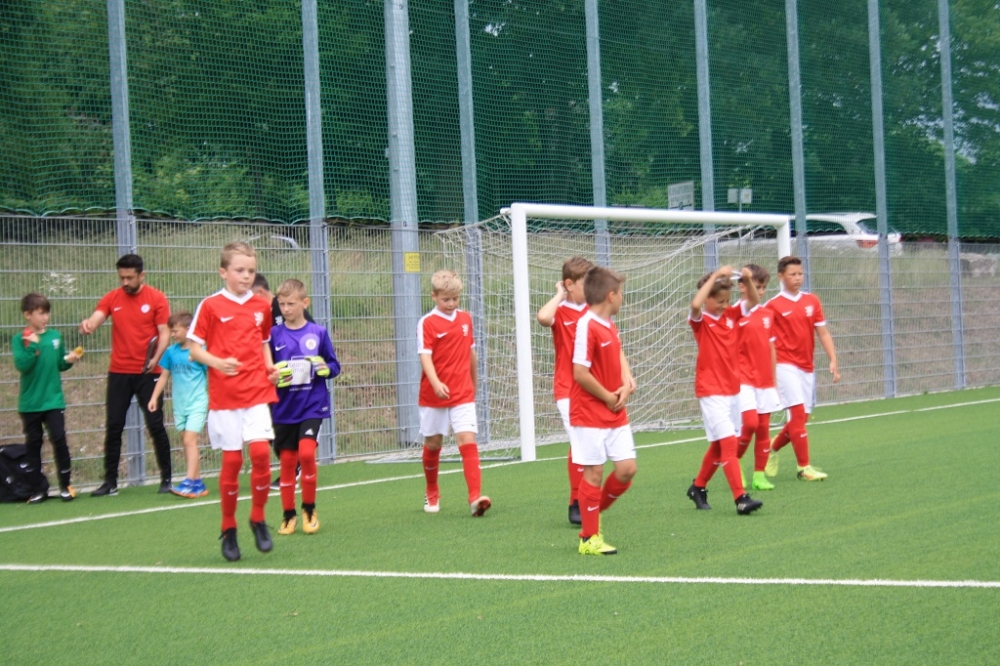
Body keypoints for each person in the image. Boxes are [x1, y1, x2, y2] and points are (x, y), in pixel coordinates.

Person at [188, 242, 280, 562]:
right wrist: (217, 362)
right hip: (225, 397)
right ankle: (228, 527)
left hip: (256, 391)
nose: (246, 276)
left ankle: (258, 518)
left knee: (261, 454)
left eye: (251, 271)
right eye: (239, 270)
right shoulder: (210, 305)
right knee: (232, 462)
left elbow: (264, 341)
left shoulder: (261, 306)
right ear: (223, 272)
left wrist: (269, 368)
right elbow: (194, 349)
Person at [79, 253, 172, 497]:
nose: (125, 282)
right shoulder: (113, 297)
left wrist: (155, 359)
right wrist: (89, 324)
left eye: (129, 277)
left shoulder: (157, 298)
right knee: (114, 425)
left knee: (155, 424)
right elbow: (97, 317)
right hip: (119, 372)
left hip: (149, 373)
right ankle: (110, 482)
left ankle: (167, 478)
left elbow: (164, 334)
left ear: (142, 275)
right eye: (121, 277)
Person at [686, 266, 764, 516]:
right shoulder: (701, 321)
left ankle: (698, 487)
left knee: (719, 447)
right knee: (729, 443)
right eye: (719, 301)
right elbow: (695, 304)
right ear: (708, 298)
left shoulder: (732, 315)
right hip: (711, 391)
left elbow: (754, 300)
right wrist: (714, 276)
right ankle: (741, 498)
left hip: (732, 390)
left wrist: (747, 280)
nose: (724, 305)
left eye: (726, 301)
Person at [570, 265, 637, 556]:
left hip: (614, 408)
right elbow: (580, 373)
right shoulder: (586, 325)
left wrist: (627, 382)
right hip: (589, 412)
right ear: (611, 295)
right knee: (594, 472)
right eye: (620, 293)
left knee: (627, 469)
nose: (622, 298)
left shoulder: (609, 323)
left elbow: (618, 353)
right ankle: (588, 538)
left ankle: (593, 513)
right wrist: (609, 396)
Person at [418, 269, 491, 517]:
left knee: (467, 439)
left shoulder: (465, 319)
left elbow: (471, 354)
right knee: (433, 443)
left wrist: (474, 384)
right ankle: (432, 489)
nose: (451, 304)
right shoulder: (427, 322)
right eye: (445, 299)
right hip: (433, 394)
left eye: (455, 299)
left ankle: (475, 498)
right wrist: (436, 383)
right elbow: (425, 357)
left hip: (462, 392)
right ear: (434, 296)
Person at [270, 279, 340, 536]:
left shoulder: (318, 333)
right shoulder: (274, 335)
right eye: (282, 304)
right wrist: (273, 376)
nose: (286, 309)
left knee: (307, 454)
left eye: (291, 304)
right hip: (284, 409)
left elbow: (334, 365)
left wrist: (324, 369)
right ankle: (288, 515)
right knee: (288, 461)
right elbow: (265, 370)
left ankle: (309, 509)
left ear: (305, 303)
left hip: (312, 405)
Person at [763, 256, 840, 482]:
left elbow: (822, 332)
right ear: (781, 277)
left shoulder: (811, 301)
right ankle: (804, 468)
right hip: (784, 364)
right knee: (797, 414)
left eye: (800, 274)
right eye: (792, 274)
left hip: (806, 366)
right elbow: (764, 339)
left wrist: (833, 359)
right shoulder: (773, 306)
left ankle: (771, 448)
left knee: (802, 418)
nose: (797, 278)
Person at [536, 256, 594, 526]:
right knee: (579, 442)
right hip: (567, 389)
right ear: (569, 284)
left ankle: (579, 501)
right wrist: (559, 294)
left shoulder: (593, 310)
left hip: (592, 388)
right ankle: (577, 502)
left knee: (585, 445)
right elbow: (542, 317)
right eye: (585, 284)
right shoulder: (560, 311)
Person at [13, 293, 82, 503]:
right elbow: (22, 365)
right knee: (33, 444)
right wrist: (33, 345)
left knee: (59, 439)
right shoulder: (20, 339)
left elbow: (59, 363)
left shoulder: (55, 336)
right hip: (30, 404)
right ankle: (38, 489)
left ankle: (65, 486)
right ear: (27, 315)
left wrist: (69, 360)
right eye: (40, 313)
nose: (45, 317)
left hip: (53, 401)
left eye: (47, 313)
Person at [252, 272, 312, 490]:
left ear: (260, 292)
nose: (286, 308)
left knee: (283, 427)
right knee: (267, 426)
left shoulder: (287, 309)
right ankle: (294, 465)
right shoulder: (257, 315)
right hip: (267, 380)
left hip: (293, 384)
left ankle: (294, 469)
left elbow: (310, 338)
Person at [148, 311, 209, 499]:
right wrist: (154, 397)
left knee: (190, 441)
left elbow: (212, 374)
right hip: (180, 406)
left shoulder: (200, 351)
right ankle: (198, 483)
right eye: (171, 331)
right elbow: (164, 376)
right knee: (187, 443)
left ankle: (189, 482)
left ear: (189, 329)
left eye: (175, 331)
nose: (172, 335)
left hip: (197, 404)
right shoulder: (171, 352)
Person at [734, 264, 781, 492]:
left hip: (764, 381)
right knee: (750, 424)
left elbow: (771, 348)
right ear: (741, 286)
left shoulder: (767, 315)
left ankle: (759, 476)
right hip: (742, 380)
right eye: (756, 286)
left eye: (762, 287)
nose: (760, 292)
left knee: (763, 429)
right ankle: (734, 462)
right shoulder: (734, 313)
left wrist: (773, 380)